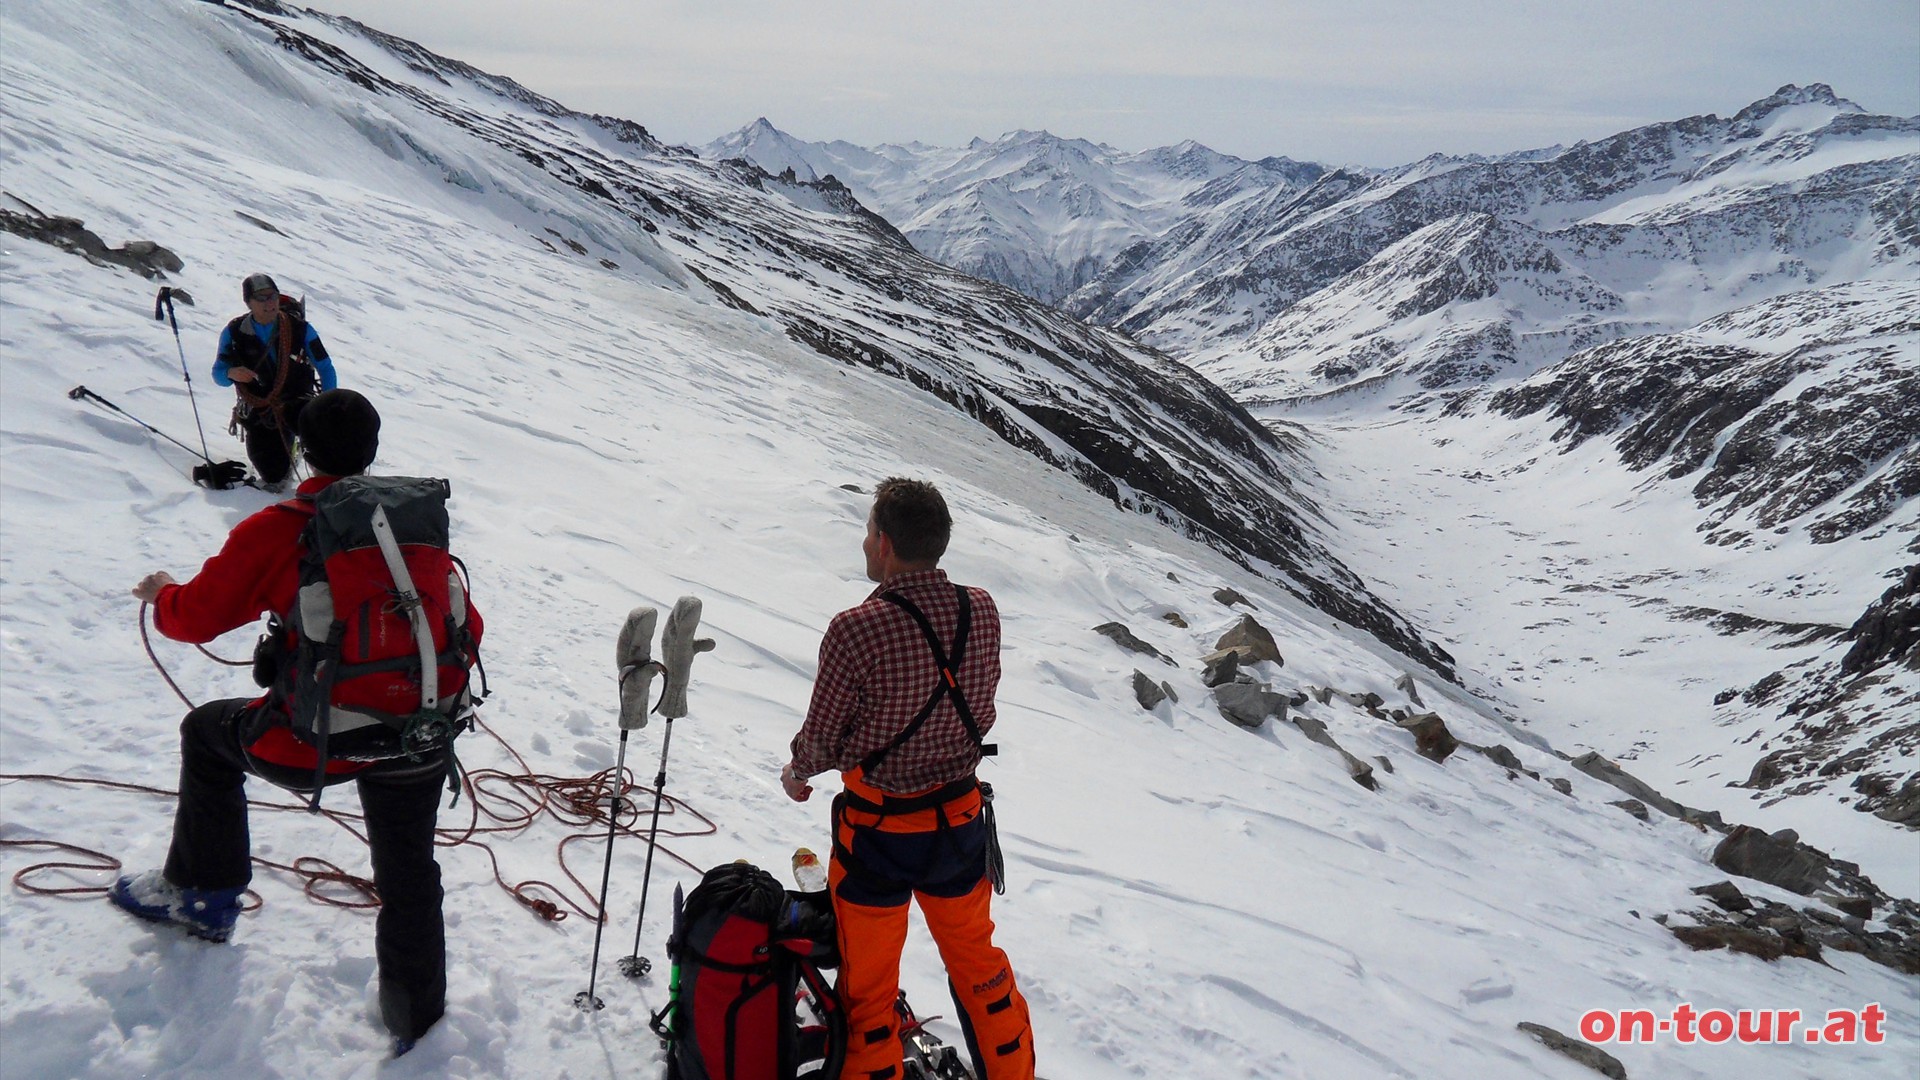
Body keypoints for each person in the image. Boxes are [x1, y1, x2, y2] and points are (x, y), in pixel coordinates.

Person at [111, 390, 474, 1053]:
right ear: (372, 450)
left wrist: (161, 594)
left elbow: (195, 616)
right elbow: (464, 626)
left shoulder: (282, 527)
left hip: (315, 742)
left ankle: (204, 896)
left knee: (207, 736)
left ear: (302, 452)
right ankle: (417, 1022)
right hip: (419, 734)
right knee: (410, 874)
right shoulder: (418, 525)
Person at [782, 478, 1036, 1080]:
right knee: (980, 967)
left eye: (870, 533)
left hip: (878, 835)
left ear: (886, 544)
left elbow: (821, 738)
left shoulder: (856, 628)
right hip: (959, 824)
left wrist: (798, 772)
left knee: (868, 986)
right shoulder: (982, 607)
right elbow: (980, 701)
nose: (865, 543)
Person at [215, 272, 338, 489]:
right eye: (261, 298)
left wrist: (325, 408)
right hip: (260, 409)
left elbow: (325, 367)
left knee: (326, 453)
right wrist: (231, 373)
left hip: (298, 401)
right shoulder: (234, 333)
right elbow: (218, 374)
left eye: (272, 296)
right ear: (248, 303)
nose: (269, 303)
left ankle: (300, 443)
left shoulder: (300, 329)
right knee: (273, 474)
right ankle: (288, 449)